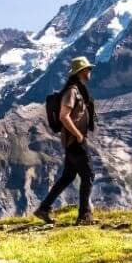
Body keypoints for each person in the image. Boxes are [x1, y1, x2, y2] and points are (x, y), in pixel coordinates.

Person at [33, 56, 97, 226]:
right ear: (82, 71)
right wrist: (78, 135)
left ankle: (44, 208)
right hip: (74, 141)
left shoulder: (77, 89)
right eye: (88, 69)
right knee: (89, 174)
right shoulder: (72, 91)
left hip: (71, 141)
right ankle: (84, 215)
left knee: (68, 176)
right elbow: (64, 116)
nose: (90, 71)